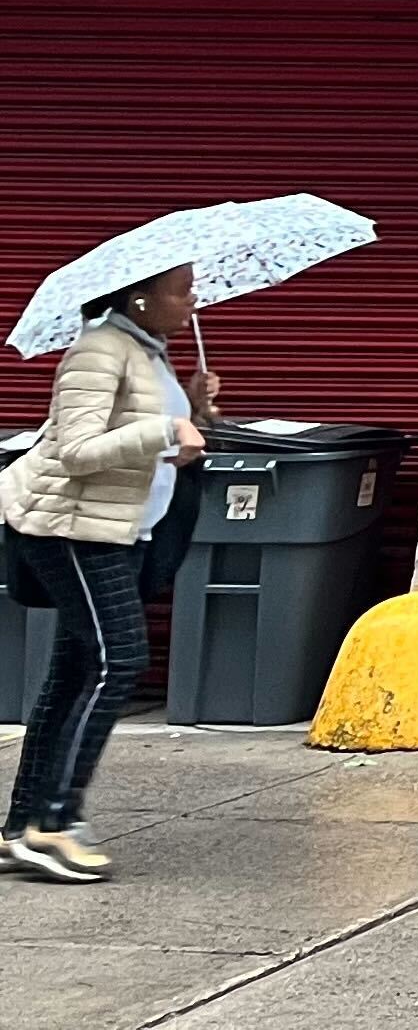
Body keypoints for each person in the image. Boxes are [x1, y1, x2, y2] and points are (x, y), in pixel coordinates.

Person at [4, 266, 212, 885]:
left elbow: (153, 443)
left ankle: (21, 827)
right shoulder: (98, 350)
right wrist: (166, 428)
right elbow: (76, 450)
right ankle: (54, 824)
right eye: (181, 288)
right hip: (68, 527)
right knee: (118, 659)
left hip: (117, 530)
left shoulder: (149, 352)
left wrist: (195, 408)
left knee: (75, 670)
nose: (192, 299)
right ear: (139, 297)